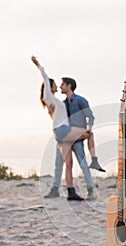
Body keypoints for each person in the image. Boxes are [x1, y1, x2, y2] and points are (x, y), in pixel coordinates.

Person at [31, 56, 104, 200]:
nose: (59, 86)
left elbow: (85, 115)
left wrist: (52, 113)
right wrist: (38, 64)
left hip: (65, 133)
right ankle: (94, 160)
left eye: (62, 84)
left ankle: (70, 192)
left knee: (68, 164)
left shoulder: (64, 101)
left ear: (68, 86)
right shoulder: (50, 97)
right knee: (89, 134)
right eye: (56, 84)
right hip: (64, 131)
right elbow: (45, 78)